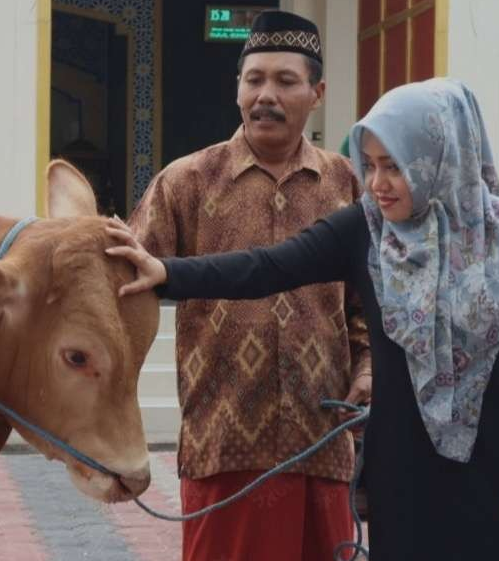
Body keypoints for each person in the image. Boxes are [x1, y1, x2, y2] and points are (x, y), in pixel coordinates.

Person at [111, 77, 499, 560]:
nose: (377, 184)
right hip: (406, 476)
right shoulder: (366, 230)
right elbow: (268, 266)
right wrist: (166, 272)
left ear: (439, 157)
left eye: (394, 167)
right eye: (370, 165)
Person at [127, 10, 371, 560]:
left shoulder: (346, 183)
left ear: (318, 92)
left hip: (322, 439)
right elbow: (127, 284)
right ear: (237, 87)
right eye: (253, 78)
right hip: (222, 444)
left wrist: (369, 367)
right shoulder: (185, 182)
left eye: (285, 81)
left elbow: (368, 302)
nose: (266, 94)